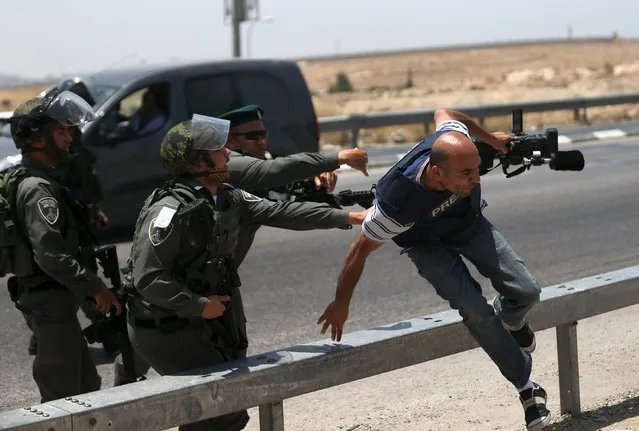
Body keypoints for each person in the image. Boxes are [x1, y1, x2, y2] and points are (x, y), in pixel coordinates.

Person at [123, 115, 367, 430]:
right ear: (198, 163)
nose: (227, 154)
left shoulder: (226, 197)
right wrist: (200, 305)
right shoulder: (169, 210)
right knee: (218, 411)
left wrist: (349, 217)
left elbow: (282, 211)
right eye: (218, 150)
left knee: (224, 409)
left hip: (198, 320)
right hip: (166, 326)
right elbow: (148, 278)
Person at [317, 108, 551, 431]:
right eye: (466, 174)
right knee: (473, 308)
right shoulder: (393, 206)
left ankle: (510, 318)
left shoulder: (455, 139)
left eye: (476, 170)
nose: (476, 179)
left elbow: (444, 111)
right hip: (425, 244)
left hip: (466, 224)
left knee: (527, 291)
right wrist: (341, 302)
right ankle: (527, 387)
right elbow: (358, 251)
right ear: (438, 174)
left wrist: (491, 140)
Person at [7, 91, 121, 402]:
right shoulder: (36, 188)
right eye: (60, 130)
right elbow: (50, 254)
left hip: (56, 300)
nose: (69, 136)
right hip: (49, 302)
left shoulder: (43, 180)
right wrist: (95, 286)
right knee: (62, 398)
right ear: (38, 140)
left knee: (85, 387)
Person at [221, 104, 370, 266]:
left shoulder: (256, 164)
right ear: (231, 142)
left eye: (263, 134)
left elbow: (285, 190)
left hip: (222, 275)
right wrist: (338, 158)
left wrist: (313, 178)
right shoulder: (229, 164)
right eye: (253, 136)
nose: (261, 141)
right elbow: (274, 172)